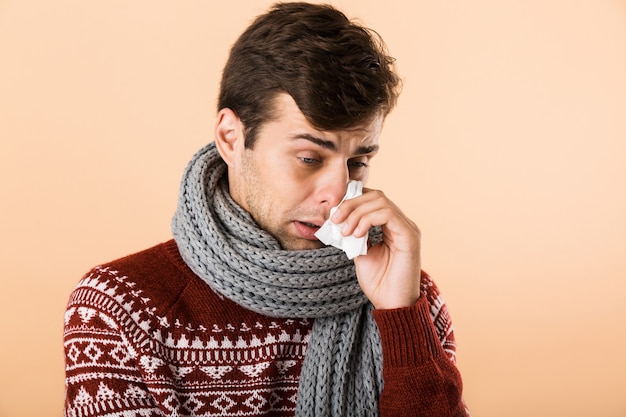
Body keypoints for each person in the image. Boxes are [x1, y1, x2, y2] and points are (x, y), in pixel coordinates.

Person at [63, 2, 470, 416]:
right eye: (309, 158)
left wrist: (401, 317)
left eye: (358, 162)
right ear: (231, 138)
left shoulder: (405, 296)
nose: (337, 194)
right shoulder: (121, 310)